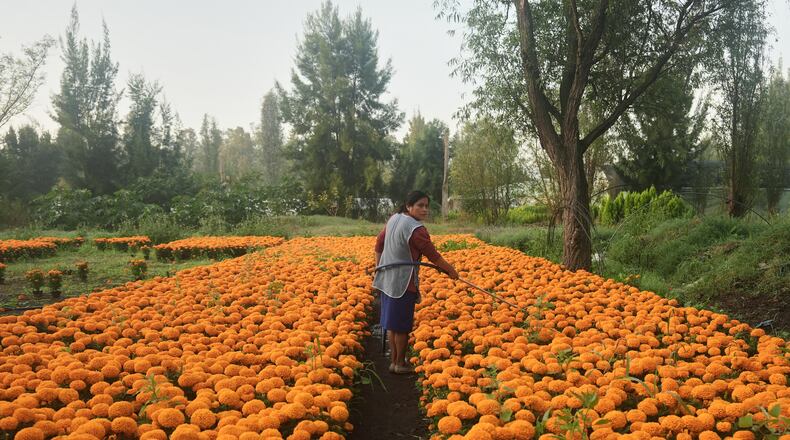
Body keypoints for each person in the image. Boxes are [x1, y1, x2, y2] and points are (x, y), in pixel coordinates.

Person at [373, 190, 459, 374]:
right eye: (420, 205)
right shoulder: (416, 229)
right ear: (408, 206)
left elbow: (379, 244)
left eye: (426, 206)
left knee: (392, 323)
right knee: (402, 326)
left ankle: (394, 362)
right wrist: (451, 271)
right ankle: (399, 364)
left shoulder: (394, 219)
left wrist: (379, 267)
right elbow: (433, 255)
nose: (424, 210)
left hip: (386, 279)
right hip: (403, 283)